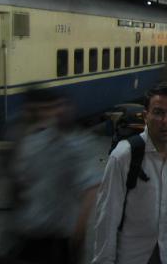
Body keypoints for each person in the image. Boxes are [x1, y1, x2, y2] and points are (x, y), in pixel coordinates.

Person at [92, 85, 167, 264]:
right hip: (133, 256)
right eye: (158, 112)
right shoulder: (123, 156)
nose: (166, 120)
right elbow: (107, 217)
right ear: (146, 116)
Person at [9, 89, 99, 264]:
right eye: (48, 109)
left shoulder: (80, 146)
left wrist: (78, 232)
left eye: (56, 107)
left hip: (60, 236)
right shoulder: (30, 143)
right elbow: (20, 182)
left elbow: (91, 189)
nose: (54, 113)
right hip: (31, 233)